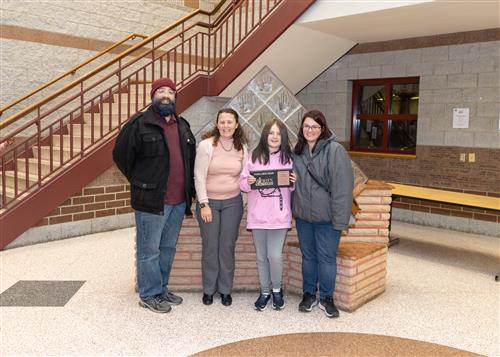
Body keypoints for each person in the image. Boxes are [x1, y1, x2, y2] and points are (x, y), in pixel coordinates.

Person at [112, 77, 196, 313]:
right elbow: (121, 156)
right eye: (161, 91)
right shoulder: (139, 124)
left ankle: (161, 288)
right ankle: (149, 294)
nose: (166, 95)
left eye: (171, 91)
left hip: (178, 201)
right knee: (149, 250)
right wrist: (141, 183)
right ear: (153, 96)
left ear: (175, 97)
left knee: (167, 248)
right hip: (151, 202)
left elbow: (190, 160)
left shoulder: (183, 125)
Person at [292, 109, 353, 318]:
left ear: (322, 129)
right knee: (308, 257)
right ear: (302, 129)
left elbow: (342, 188)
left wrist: (340, 220)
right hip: (303, 217)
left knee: (326, 259)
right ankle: (309, 294)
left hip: (327, 218)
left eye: (315, 127)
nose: (310, 130)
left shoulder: (334, 150)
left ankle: (327, 298)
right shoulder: (297, 152)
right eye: (306, 126)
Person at [239, 119, 296, 311]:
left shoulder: (288, 158)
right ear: (265, 135)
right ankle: (264, 292)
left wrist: (294, 181)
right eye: (271, 133)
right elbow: (242, 184)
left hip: (279, 217)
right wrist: (249, 181)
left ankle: (277, 290)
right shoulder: (254, 157)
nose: (274, 136)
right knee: (261, 257)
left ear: (283, 137)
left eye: (278, 133)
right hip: (258, 216)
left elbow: (293, 187)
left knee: (275, 256)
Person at [194, 108, 248, 306]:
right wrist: (204, 203)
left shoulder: (242, 148)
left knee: (227, 247)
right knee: (210, 247)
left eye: (230, 122)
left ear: (236, 124)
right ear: (217, 124)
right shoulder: (206, 146)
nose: (226, 126)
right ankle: (209, 289)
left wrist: (244, 204)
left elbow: (245, 178)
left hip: (233, 203)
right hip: (209, 203)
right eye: (222, 122)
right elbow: (198, 176)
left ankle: (225, 290)